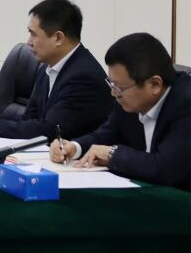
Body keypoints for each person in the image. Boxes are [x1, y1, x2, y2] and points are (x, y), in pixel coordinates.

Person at [51, 33, 189, 189]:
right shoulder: (128, 100)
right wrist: (74, 147)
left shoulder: (185, 105)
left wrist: (112, 154)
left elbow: (165, 169)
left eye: (119, 88)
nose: (113, 93)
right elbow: (106, 134)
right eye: (111, 85)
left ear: (155, 84)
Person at [0, 0, 110, 139]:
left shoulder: (83, 77)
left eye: (33, 34)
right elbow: (30, 119)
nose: (28, 42)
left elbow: (49, 130)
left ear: (58, 38)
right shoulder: (49, 67)